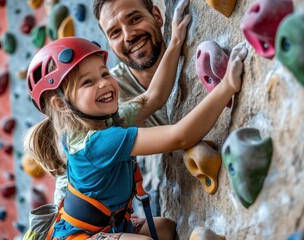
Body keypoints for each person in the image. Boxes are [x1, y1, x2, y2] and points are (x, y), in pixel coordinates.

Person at [24, 4, 248, 240]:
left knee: (166, 229)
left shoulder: (106, 120)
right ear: (61, 105)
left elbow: (154, 97)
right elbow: (180, 136)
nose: (103, 83)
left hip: (108, 223)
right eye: (87, 82)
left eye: (103, 73)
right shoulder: (97, 142)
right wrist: (227, 87)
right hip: (80, 237)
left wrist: (174, 42)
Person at [54, 0, 184, 216]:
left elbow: (155, 96)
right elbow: (70, 169)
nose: (128, 35)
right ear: (109, 43)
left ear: (157, 16)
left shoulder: (108, 94)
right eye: (115, 33)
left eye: (135, 19)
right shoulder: (107, 99)